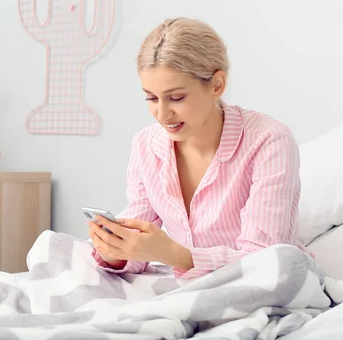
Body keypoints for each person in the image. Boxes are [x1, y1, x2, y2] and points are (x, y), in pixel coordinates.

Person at [87, 17, 312, 279]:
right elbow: (140, 248)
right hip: (191, 291)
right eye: (151, 98)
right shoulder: (146, 145)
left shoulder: (269, 140)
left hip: (265, 285)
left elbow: (265, 258)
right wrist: (115, 251)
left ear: (217, 84)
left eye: (177, 97)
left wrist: (174, 255)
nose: (162, 114)